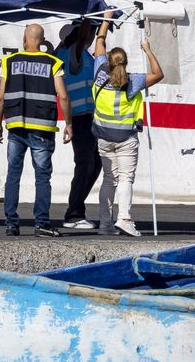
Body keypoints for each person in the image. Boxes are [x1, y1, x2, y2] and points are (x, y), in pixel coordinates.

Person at [0, 23, 72, 237]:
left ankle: (11, 223)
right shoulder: (53, 63)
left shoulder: (9, 62)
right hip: (43, 129)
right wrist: (69, 124)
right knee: (42, 177)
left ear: (24, 38)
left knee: (13, 175)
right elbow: (63, 96)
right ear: (43, 39)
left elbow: (0, 96)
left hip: (16, 127)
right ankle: (42, 224)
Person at [92, 26, 164, 237]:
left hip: (103, 135)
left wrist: (105, 22)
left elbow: (99, 43)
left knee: (108, 179)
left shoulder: (99, 72)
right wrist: (148, 50)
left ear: (109, 61)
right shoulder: (132, 81)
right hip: (125, 137)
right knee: (125, 178)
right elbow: (158, 74)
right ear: (125, 62)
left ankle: (105, 224)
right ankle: (123, 219)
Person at [55, 14, 113, 229]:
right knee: (85, 164)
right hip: (80, 118)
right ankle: (74, 214)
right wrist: (92, 15)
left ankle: (76, 210)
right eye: (86, 32)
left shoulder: (80, 54)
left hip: (89, 117)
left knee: (94, 164)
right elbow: (82, 37)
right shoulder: (71, 52)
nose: (89, 35)